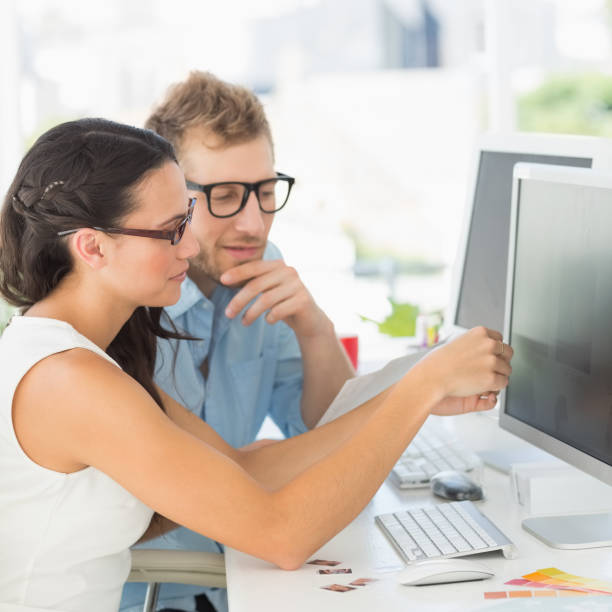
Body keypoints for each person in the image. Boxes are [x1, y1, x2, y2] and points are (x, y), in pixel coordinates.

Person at [0, 117, 512, 612]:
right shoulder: (68, 381)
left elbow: (242, 469)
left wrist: (414, 396)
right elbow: (283, 536)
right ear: (92, 247)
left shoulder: (88, 357)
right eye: (172, 229)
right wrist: (421, 385)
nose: (193, 243)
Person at [123, 71, 357, 612]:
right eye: (225, 197)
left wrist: (315, 328)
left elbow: (327, 436)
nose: (253, 223)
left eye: (267, 192)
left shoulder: (264, 271)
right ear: (168, 197)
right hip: (143, 593)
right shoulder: (125, 303)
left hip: (239, 580)